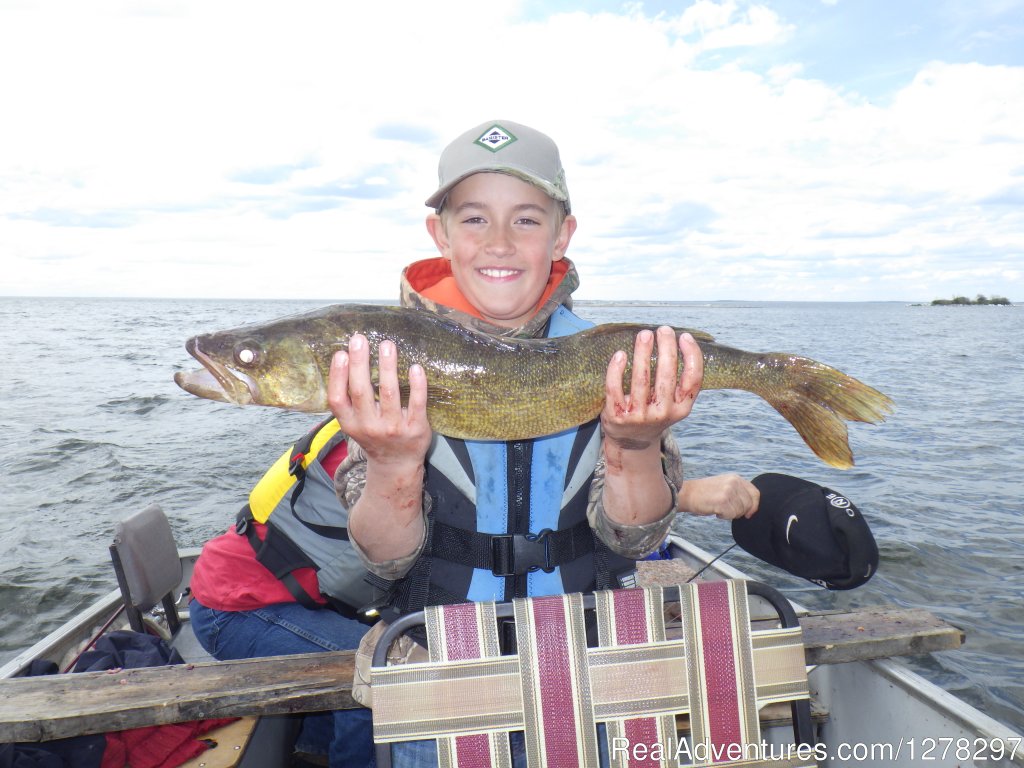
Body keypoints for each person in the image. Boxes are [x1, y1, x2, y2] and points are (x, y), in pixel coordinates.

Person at [325, 119, 758, 766]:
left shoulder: (610, 357)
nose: (499, 241)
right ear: (439, 234)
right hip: (441, 668)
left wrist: (634, 447)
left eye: (526, 220)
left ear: (562, 234)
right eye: (474, 219)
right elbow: (384, 559)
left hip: (590, 669)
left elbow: (633, 539)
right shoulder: (388, 363)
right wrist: (392, 462)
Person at [187, 418, 377, 766]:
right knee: (374, 668)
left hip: (253, 590)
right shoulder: (372, 454)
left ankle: (315, 752)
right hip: (233, 610)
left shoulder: (361, 428)